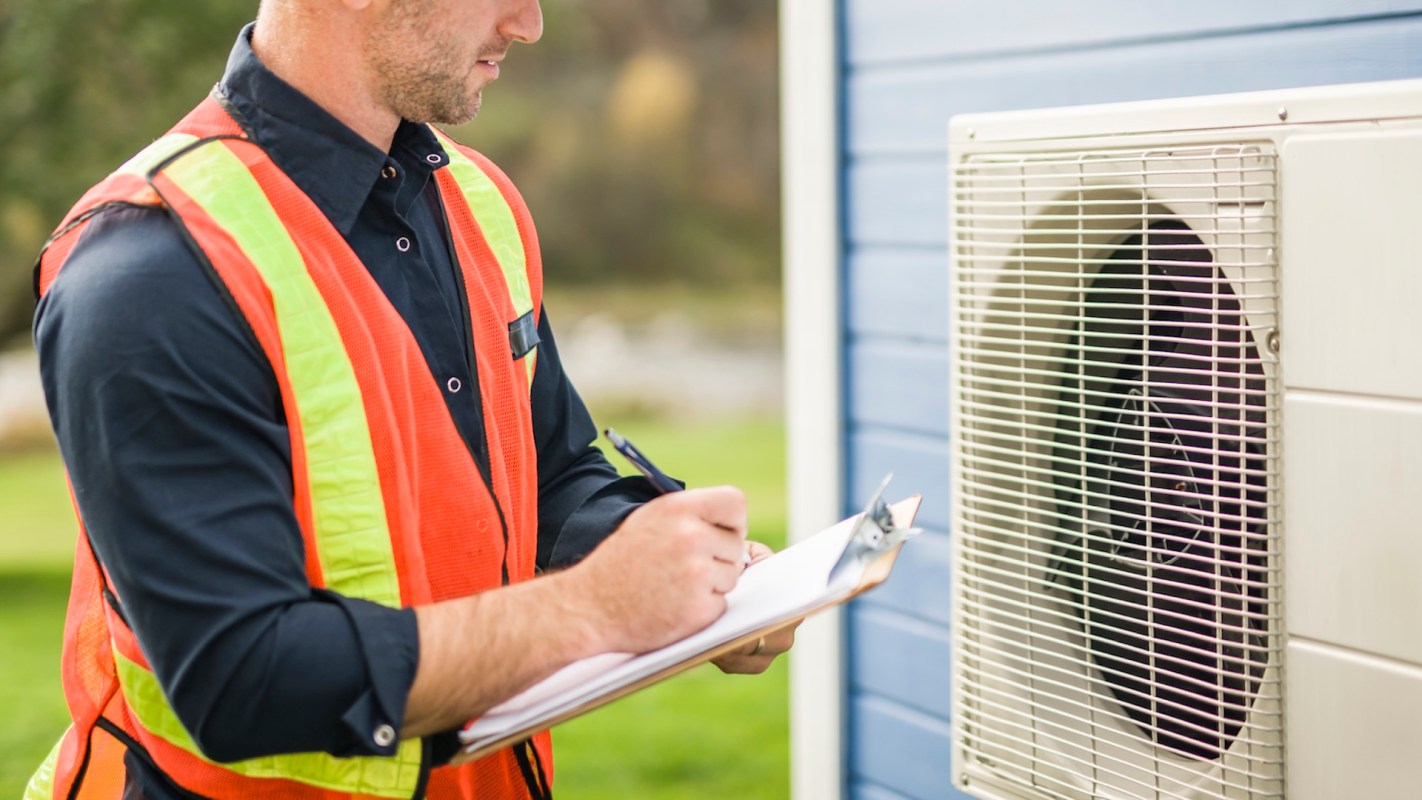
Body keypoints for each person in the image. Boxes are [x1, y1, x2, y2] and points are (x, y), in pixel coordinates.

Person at [25, 1, 793, 798]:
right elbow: (239, 678)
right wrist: (590, 610)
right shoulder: (153, 269)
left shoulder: (479, 200)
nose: (528, 24)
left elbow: (550, 475)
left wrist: (690, 575)